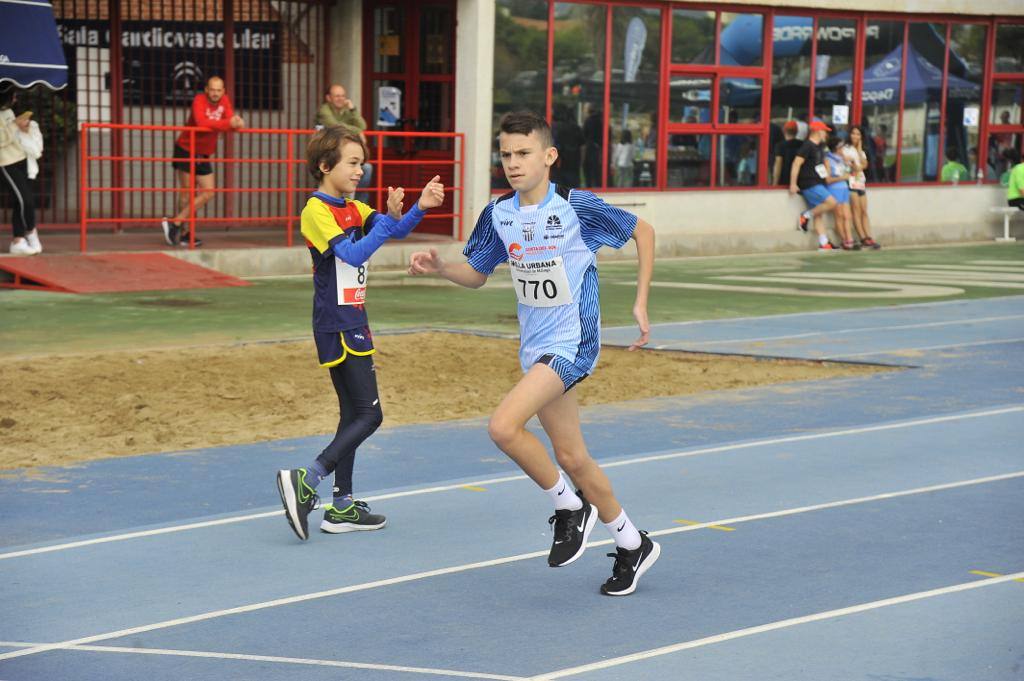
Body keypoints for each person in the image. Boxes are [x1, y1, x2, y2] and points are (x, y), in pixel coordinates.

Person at [407, 111, 659, 596]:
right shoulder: (499, 213)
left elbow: (642, 232)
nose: (513, 163)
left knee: (503, 427)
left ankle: (569, 507)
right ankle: (632, 543)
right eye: (505, 154)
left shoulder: (576, 208)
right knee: (572, 455)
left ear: (549, 156)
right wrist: (442, 268)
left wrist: (641, 299)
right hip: (536, 349)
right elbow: (477, 273)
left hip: (574, 342)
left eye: (523, 153)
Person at [275, 126, 445, 541]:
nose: (360, 170)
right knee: (371, 415)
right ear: (324, 165)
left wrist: (417, 207)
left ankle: (342, 505)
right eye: (352, 163)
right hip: (337, 322)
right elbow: (352, 253)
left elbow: (397, 230)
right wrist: (385, 224)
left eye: (361, 163)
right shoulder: (316, 210)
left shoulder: (354, 206)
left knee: (353, 413)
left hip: (354, 320)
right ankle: (306, 478)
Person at [161, 76, 244, 248]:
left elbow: (233, 123)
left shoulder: (225, 102)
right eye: (212, 89)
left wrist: (236, 122)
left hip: (204, 154)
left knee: (209, 192)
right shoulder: (199, 100)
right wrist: (228, 123)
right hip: (186, 149)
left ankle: (175, 222)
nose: (215, 93)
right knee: (186, 193)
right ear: (206, 89)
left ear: (223, 91)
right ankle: (184, 233)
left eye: (218, 90)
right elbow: (201, 122)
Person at [0, 86, 41, 255]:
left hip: (21, 159)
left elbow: (13, 136)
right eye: (13, 96)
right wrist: (14, 126)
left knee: (20, 201)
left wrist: (23, 127)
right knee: (26, 201)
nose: (15, 99)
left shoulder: (8, 112)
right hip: (6, 162)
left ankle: (18, 241)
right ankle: (31, 232)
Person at [316, 84, 373, 203]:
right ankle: (335, 204)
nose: (340, 98)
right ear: (329, 98)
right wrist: (358, 133)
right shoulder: (324, 110)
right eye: (337, 96)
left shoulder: (347, 111)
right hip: (329, 154)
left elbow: (363, 125)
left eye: (343, 96)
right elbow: (336, 126)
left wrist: (353, 109)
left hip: (345, 153)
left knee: (367, 168)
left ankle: (359, 205)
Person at [790, 118, 838, 251]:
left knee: (818, 214)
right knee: (832, 202)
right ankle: (805, 215)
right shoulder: (807, 146)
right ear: (817, 131)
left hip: (818, 181)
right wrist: (793, 184)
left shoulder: (820, 147)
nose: (825, 134)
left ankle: (824, 243)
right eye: (824, 131)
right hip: (809, 183)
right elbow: (796, 163)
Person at [841, 125, 881, 250]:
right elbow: (851, 165)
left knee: (864, 210)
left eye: (858, 134)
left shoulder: (861, 150)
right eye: (853, 133)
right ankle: (862, 237)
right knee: (856, 209)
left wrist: (858, 150)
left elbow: (864, 164)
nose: (855, 136)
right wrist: (856, 165)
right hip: (850, 181)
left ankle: (869, 236)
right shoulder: (845, 148)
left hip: (860, 181)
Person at [825, 137, 856, 250]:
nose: (843, 149)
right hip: (834, 189)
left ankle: (850, 238)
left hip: (844, 189)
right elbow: (827, 179)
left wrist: (848, 162)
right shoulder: (828, 160)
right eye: (841, 147)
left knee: (847, 216)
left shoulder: (843, 159)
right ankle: (844, 240)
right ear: (836, 148)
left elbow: (853, 170)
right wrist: (842, 177)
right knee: (839, 215)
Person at [551, 104, 584, 188]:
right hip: (575, 158)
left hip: (563, 158)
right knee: (573, 179)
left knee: (562, 179)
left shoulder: (560, 128)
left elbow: (557, 142)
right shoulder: (576, 128)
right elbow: (582, 141)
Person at [771, 120, 803, 187]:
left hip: (783, 181)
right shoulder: (803, 144)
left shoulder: (780, 146)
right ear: (797, 132)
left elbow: (778, 164)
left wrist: (775, 184)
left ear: (784, 131)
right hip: (800, 181)